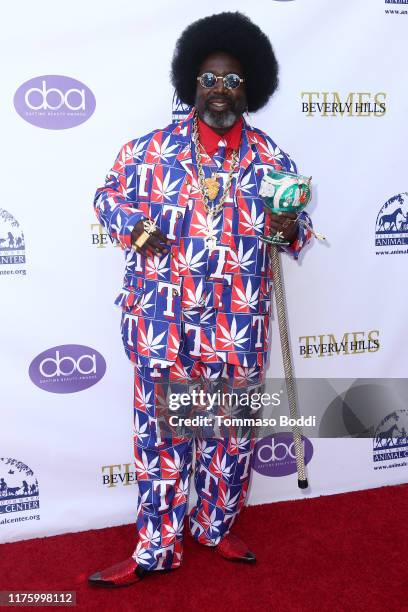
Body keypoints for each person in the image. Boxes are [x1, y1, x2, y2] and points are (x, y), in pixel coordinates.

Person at [89, 11, 312, 588]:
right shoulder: (150, 151)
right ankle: (157, 547)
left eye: (234, 80)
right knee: (162, 439)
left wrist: (287, 224)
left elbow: (298, 233)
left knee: (230, 435)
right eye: (209, 78)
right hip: (164, 325)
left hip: (237, 324)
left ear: (252, 88)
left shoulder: (272, 160)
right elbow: (107, 198)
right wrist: (136, 231)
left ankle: (214, 525)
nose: (220, 89)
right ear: (191, 83)